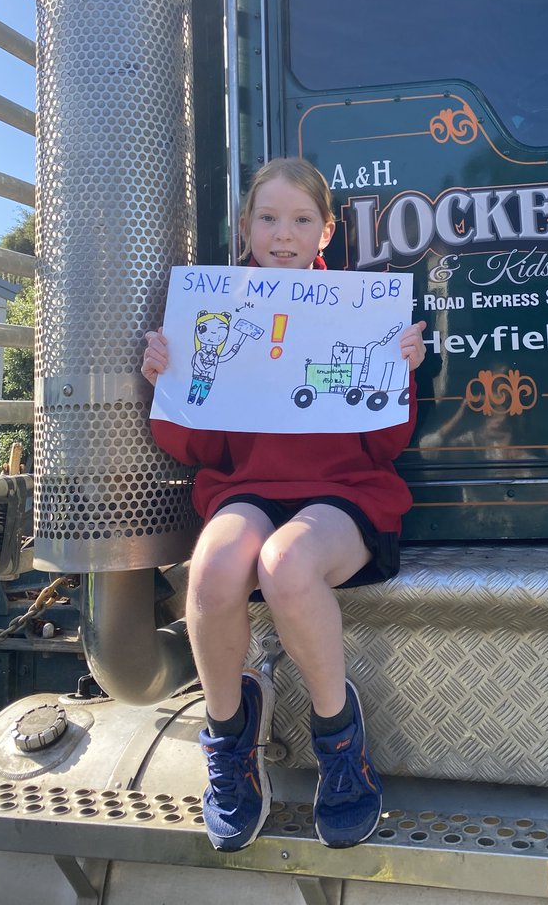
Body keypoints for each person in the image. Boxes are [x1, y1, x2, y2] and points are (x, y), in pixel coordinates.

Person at [141, 157, 426, 852]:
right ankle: (232, 743)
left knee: (285, 563)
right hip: (248, 491)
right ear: (246, 228)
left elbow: (387, 439)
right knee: (210, 573)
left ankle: (340, 745)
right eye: (267, 219)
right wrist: (170, 377)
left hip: (344, 494)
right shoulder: (218, 311)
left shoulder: (361, 309)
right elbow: (191, 444)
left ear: (326, 231)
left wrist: (402, 368)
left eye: (301, 220)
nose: (283, 234)